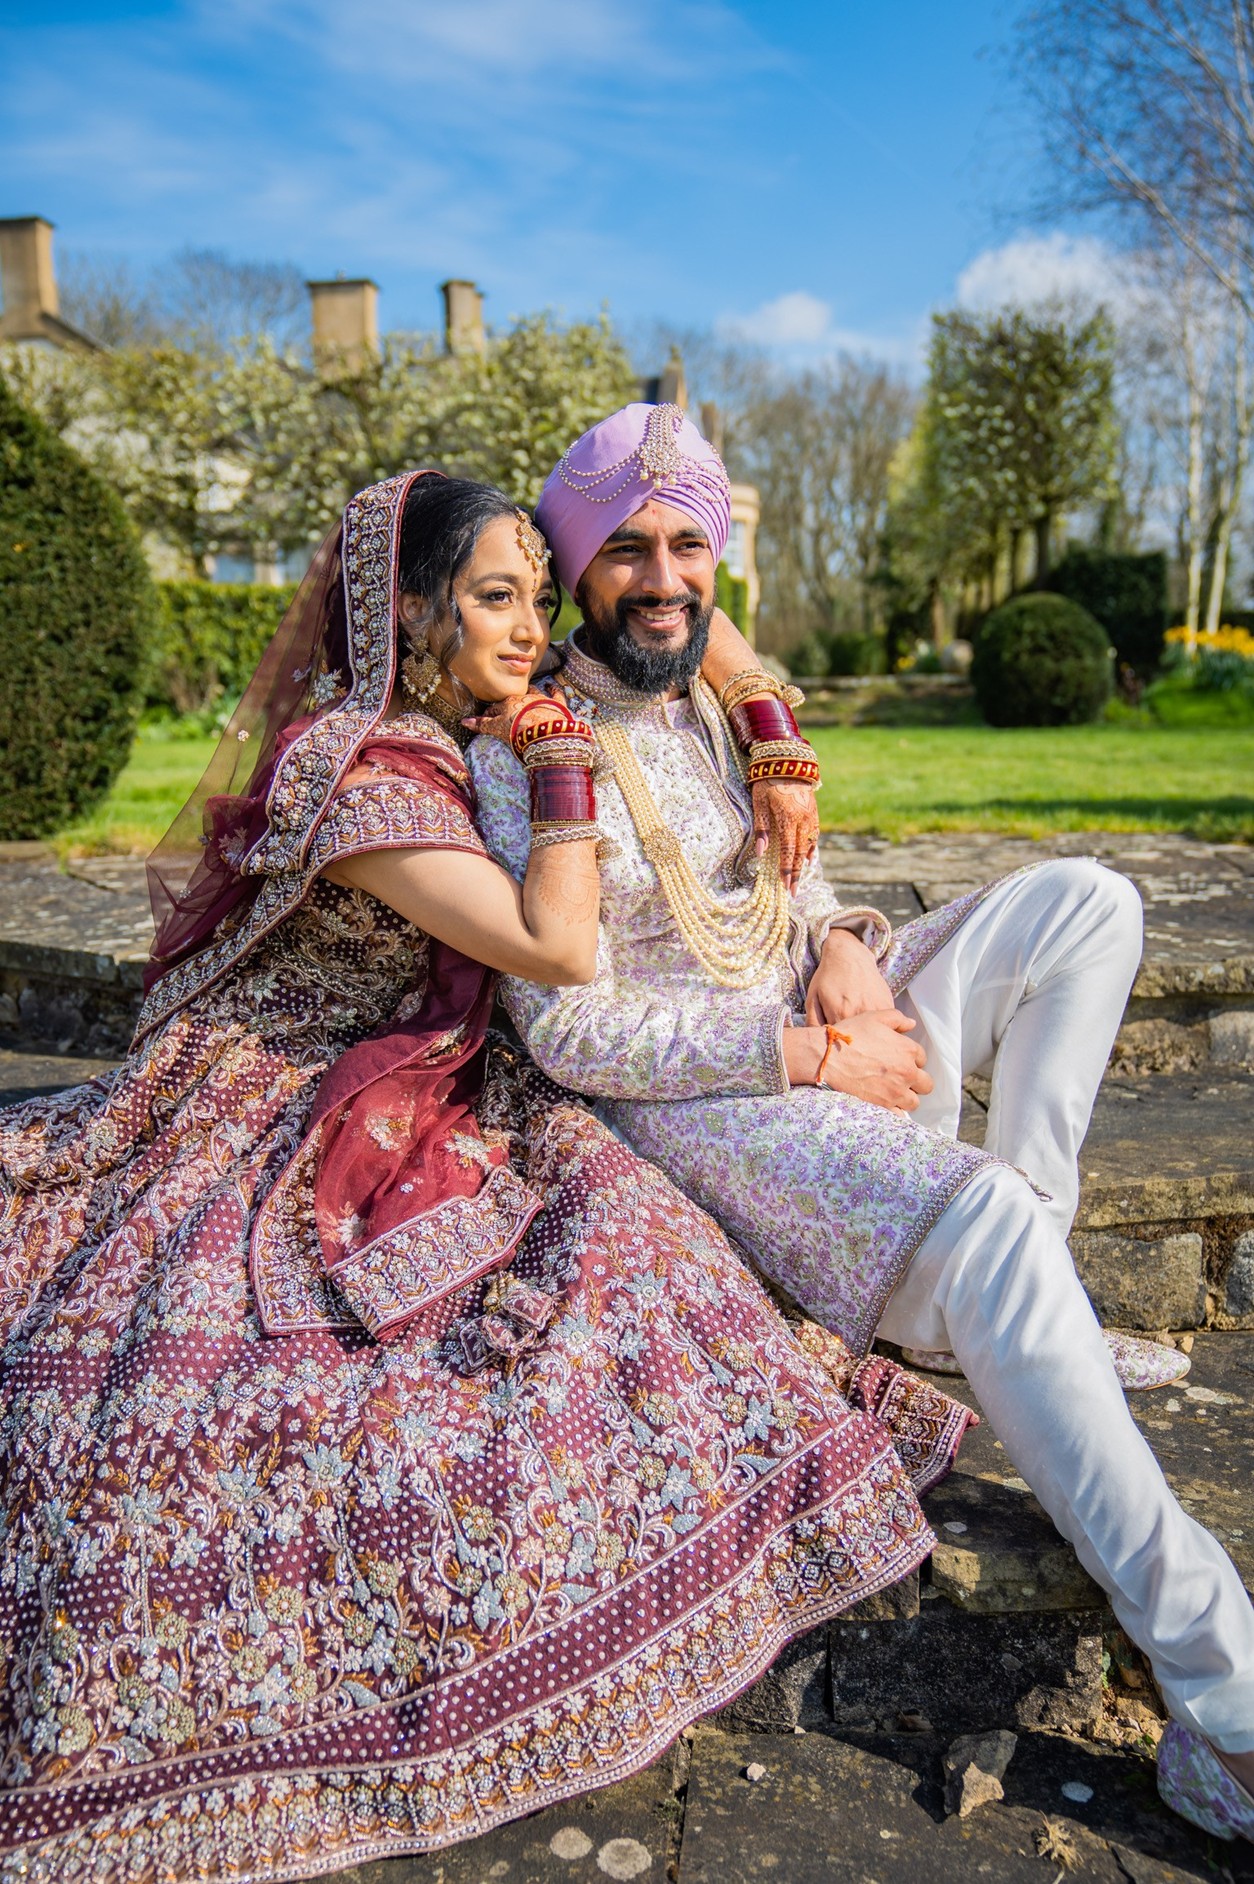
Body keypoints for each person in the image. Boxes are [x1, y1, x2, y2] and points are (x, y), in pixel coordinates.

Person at [0, 469, 979, 1882]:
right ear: (410, 611)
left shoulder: (451, 729)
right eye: (494, 598)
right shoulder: (359, 767)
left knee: (636, 1252)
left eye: (535, 594)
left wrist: (759, 727)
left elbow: (711, 636)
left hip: (447, 1060)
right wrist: (563, 752)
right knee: (271, 1388)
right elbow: (562, 950)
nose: (529, 630)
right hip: (290, 1084)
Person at [468, 402, 1254, 1843]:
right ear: (577, 569)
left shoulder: (721, 699)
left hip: (829, 1013)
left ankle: (1005, 1299)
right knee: (991, 1223)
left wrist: (840, 943)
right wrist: (807, 1055)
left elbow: (787, 890)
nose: (661, 574)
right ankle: (1221, 1693)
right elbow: (564, 1027)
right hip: (713, 1100)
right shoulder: (529, 748)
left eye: (686, 541)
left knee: (1087, 902)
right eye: (626, 548)